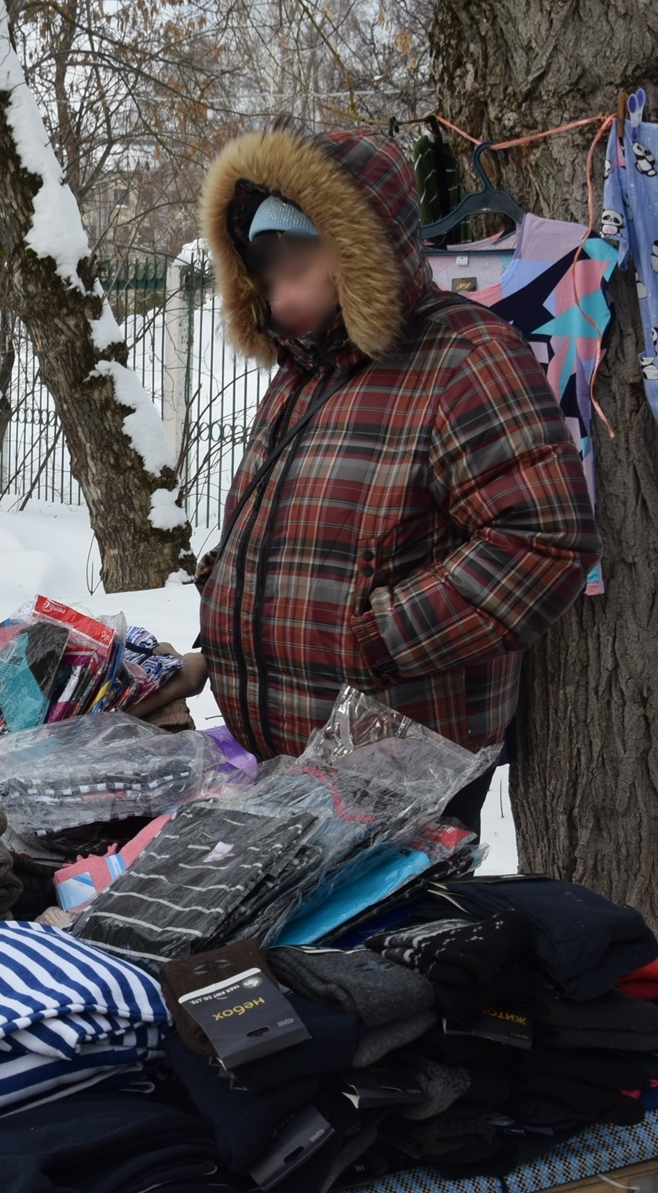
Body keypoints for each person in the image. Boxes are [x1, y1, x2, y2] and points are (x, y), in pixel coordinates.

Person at [194, 128, 600, 834]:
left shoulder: (462, 356)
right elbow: (289, 544)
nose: (280, 293)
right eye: (265, 272)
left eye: (298, 265)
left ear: (356, 249)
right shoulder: (301, 372)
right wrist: (217, 636)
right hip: (290, 760)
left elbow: (545, 541)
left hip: (404, 774)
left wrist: (371, 641)